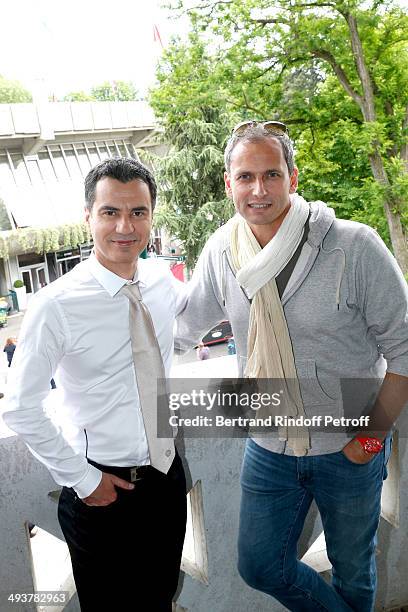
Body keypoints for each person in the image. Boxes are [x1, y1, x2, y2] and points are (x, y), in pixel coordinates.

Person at [176, 121, 408, 611]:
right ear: (228, 183)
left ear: (293, 178)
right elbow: (179, 327)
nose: (258, 189)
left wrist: (369, 441)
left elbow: (406, 351)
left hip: (349, 445)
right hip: (269, 447)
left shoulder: (354, 246)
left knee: (354, 572)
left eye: (271, 175)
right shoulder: (222, 252)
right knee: (259, 565)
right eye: (245, 177)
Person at [3, 157, 187, 612]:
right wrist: (83, 480)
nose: (125, 226)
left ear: (151, 216)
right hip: (100, 492)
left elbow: (208, 312)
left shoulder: (163, 283)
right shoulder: (56, 305)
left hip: (165, 483)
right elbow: (21, 407)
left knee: (159, 600)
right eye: (110, 212)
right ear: (88, 217)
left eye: (138, 212)